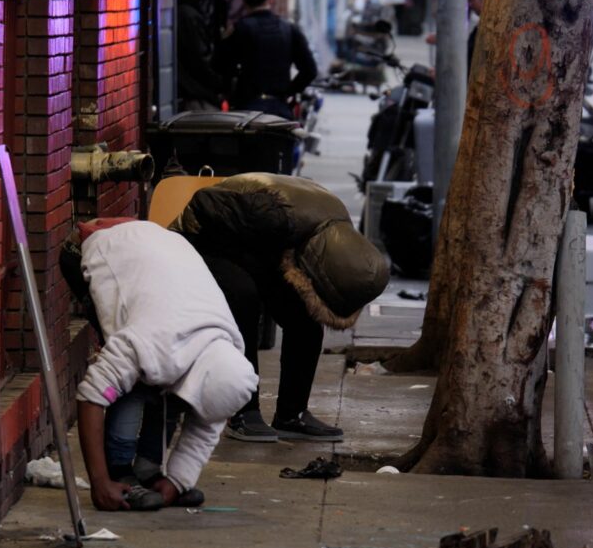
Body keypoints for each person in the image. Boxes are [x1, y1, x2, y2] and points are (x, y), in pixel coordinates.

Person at [168, 172, 390, 442]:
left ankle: (291, 415)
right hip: (200, 237)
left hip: (256, 244)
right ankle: (242, 411)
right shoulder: (275, 217)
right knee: (243, 300)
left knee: (304, 320)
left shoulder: (331, 227)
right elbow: (204, 201)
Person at [68, 218, 258, 510]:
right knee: (134, 381)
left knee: (163, 382)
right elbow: (92, 396)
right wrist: (99, 482)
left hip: (155, 248)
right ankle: (120, 471)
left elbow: (205, 431)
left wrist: (176, 484)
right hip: (97, 242)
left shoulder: (227, 363)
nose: (189, 416)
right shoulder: (150, 343)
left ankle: (147, 469)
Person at [215, 0, 318, 119]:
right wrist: (289, 91)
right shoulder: (289, 29)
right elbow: (310, 70)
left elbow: (219, 65)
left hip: (246, 110)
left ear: (245, 2)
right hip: (279, 110)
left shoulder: (239, 29)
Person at [178, 0, 225, 111]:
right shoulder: (189, 15)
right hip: (197, 96)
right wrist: (220, 82)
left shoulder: (189, 11)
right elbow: (201, 60)